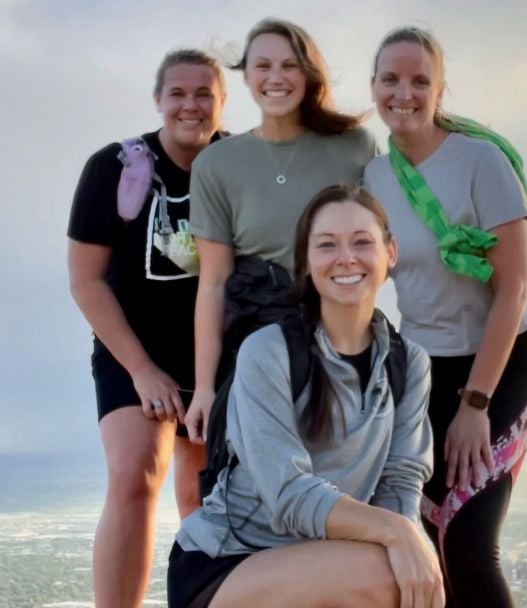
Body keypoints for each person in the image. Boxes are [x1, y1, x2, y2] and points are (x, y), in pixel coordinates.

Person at [167, 185, 443, 608]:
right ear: (307, 261)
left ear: (391, 252)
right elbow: (290, 495)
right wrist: (397, 533)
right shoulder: (268, 352)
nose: (346, 258)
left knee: (414, 576)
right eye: (327, 245)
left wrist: (404, 538)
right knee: (386, 572)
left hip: (322, 559)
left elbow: (400, 481)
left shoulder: (409, 364)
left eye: (362, 242)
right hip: (228, 564)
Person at [364, 27, 527, 607]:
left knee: (467, 539)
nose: (404, 93)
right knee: (424, 531)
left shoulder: (481, 162)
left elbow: (513, 288)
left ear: (440, 90)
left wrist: (476, 404)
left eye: (420, 80)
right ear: (374, 87)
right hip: (424, 369)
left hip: (500, 359)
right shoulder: (374, 179)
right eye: (390, 79)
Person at [67, 49, 227, 608]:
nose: (191, 104)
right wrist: (142, 371)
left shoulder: (237, 163)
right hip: (131, 348)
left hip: (219, 353)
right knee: (136, 477)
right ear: (158, 100)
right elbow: (86, 281)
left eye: (204, 92)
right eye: (178, 93)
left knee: (203, 494)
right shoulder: (114, 167)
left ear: (222, 101)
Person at [185, 19, 376, 444]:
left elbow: (371, 254)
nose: (276, 77)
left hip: (341, 339)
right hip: (255, 346)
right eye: (263, 65)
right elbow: (213, 282)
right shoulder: (215, 164)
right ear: (247, 75)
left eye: (289, 65)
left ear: (309, 75)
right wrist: (204, 388)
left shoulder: (355, 146)